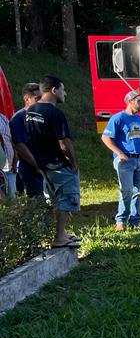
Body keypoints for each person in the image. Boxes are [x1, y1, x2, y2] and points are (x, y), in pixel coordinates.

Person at [24, 75, 80, 248]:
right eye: (63, 90)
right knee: (66, 199)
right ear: (54, 90)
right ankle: (59, 238)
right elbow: (64, 142)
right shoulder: (55, 113)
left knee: (53, 200)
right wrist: (73, 162)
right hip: (58, 164)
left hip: (43, 164)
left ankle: (59, 233)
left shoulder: (31, 111)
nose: (65, 94)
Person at [101, 90, 140, 231]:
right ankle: (121, 221)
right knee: (126, 190)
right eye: (139, 101)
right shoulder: (118, 118)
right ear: (130, 102)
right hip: (125, 161)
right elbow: (105, 138)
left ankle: (135, 221)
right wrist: (119, 153)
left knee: (138, 191)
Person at [10, 83, 42, 197]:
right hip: (29, 169)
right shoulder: (19, 118)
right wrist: (37, 164)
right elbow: (19, 145)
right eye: (37, 98)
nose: (40, 101)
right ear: (27, 99)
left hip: (43, 167)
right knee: (37, 200)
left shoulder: (40, 116)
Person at [0, 110, 12, 197]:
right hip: (2, 167)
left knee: (12, 197)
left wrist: (15, 161)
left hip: (9, 167)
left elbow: (11, 140)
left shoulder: (3, 118)